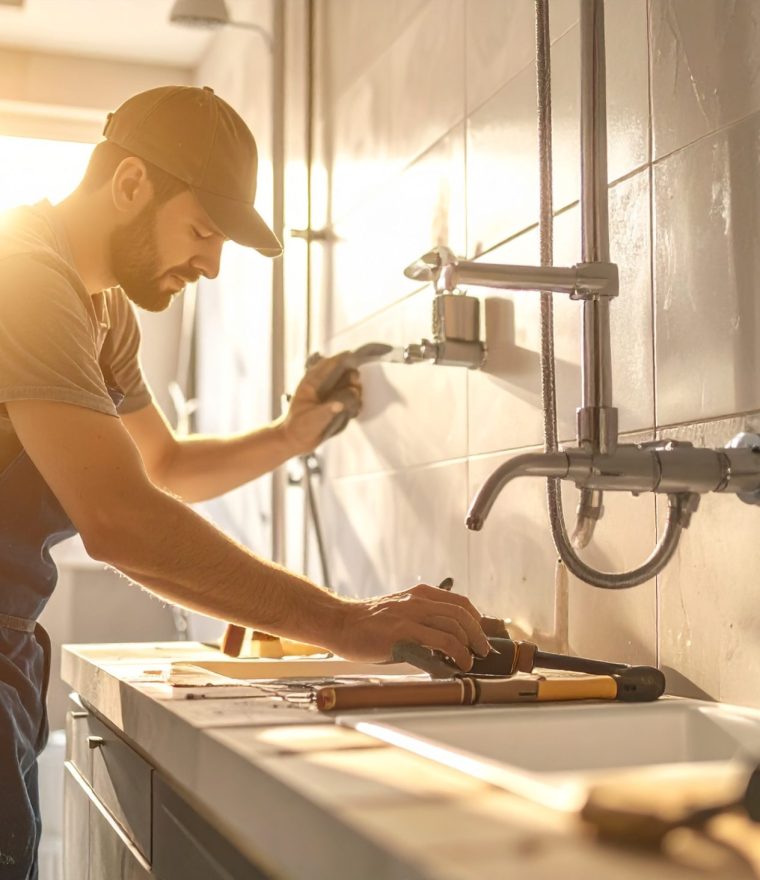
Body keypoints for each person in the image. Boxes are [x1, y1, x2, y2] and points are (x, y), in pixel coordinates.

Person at [0, 85, 488, 877]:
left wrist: (291, 436)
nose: (211, 261)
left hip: (13, 652)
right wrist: (346, 620)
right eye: (201, 228)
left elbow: (161, 469)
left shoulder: (104, 312)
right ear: (130, 184)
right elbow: (120, 519)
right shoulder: (23, 275)